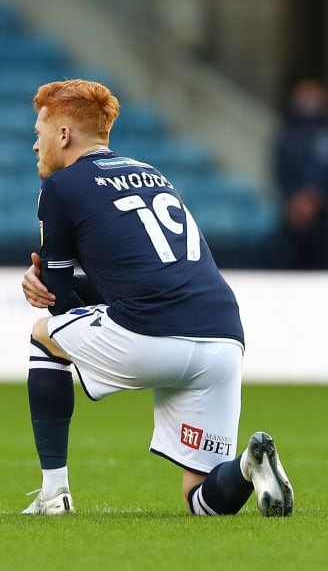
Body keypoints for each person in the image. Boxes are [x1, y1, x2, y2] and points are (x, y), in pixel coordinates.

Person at [19, 79, 293, 516]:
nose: (35, 145)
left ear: (64, 135)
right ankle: (246, 467)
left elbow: (58, 303)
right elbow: (148, 277)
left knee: (43, 335)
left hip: (151, 335)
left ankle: (54, 494)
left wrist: (40, 287)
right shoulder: (152, 173)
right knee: (202, 500)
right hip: (223, 339)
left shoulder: (62, 187)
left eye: (39, 132)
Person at [273, 78, 328, 269]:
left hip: (322, 216)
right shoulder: (287, 131)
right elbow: (280, 170)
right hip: (293, 213)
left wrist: (316, 199)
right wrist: (293, 199)